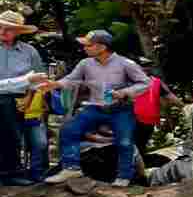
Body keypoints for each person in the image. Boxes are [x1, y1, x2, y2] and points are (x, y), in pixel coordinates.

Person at [40, 31, 149, 188]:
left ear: (102, 47)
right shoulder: (85, 64)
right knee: (69, 130)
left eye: (89, 45)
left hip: (121, 109)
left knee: (124, 142)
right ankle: (71, 168)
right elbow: (72, 79)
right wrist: (54, 84)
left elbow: (145, 83)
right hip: (95, 107)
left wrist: (125, 92)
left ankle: (124, 176)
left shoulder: (126, 64)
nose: (84, 48)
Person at [0, 10, 45, 187]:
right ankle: (10, 172)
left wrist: (30, 96)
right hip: (4, 100)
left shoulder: (29, 51)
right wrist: (26, 81)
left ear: (18, 32)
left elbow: (39, 79)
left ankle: (14, 171)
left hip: (24, 99)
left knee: (28, 136)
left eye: (9, 29)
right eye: (0, 27)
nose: (3, 31)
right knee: (8, 120)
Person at [131, 64, 184, 157]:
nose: (144, 69)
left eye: (147, 66)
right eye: (142, 67)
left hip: (148, 121)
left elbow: (169, 96)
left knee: (139, 146)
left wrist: (185, 106)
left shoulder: (156, 82)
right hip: (133, 119)